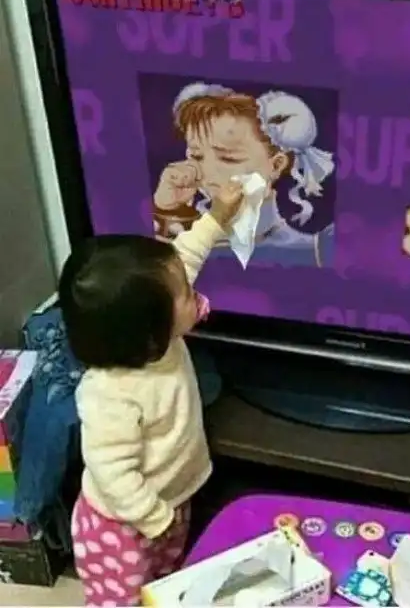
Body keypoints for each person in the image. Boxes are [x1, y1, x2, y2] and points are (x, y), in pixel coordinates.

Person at [59, 182, 244, 607]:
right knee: (123, 599)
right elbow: (113, 473)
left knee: (166, 585)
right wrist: (155, 519)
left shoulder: (155, 328)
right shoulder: (110, 395)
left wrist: (218, 215)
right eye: (186, 293)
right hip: (124, 525)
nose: (195, 290)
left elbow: (185, 258)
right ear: (147, 329)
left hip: (170, 502)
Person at [152, 83, 334, 267]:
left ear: (276, 165)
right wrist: (168, 211)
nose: (207, 172)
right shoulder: (182, 240)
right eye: (196, 156)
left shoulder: (316, 253)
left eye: (228, 158)